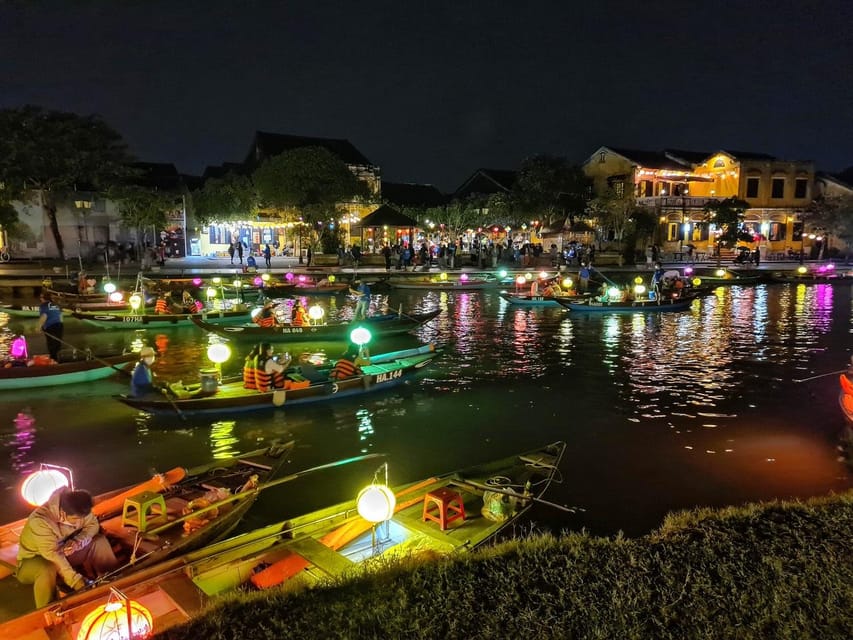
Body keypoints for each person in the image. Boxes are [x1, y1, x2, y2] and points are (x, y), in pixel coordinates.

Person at [16, 487, 119, 608]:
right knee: (47, 567)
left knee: (99, 541)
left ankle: (113, 578)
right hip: (35, 559)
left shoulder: (78, 506)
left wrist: (76, 541)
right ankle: (49, 610)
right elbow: (52, 554)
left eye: (82, 518)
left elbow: (92, 525)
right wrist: (75, 581)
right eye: (75, 519)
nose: (78, 523)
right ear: (63, 514)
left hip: (62, 551)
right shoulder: (40, 521)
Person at [37, 291, 63, 362]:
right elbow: (60, 316)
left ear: (44, 298)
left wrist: (38, 327)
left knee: (51, 343)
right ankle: (58, 359)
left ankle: (53, 359)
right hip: (59, 325)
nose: (40, 299)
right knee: (57, 343)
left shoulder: (43, 306)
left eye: (41, 297)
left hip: (50, 326)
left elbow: (44, 316)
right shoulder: (56, 304)